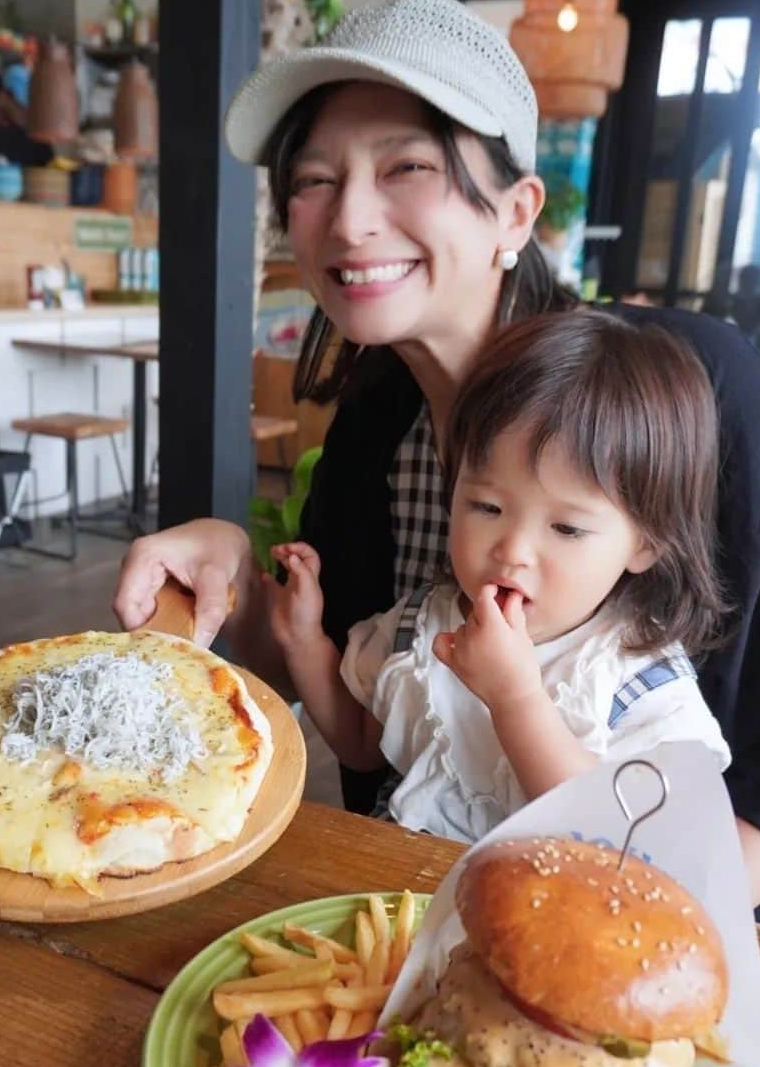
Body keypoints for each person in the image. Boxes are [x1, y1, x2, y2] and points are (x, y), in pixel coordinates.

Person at [113, 0, 760, 942]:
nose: (350, 219)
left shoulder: (687, 397)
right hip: (415, 908)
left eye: (407, 166)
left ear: (515, 211)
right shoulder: (379, 418)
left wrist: (589, 944)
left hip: (704, 941)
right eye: (315, 179)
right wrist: (231, 570)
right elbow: (347, 692)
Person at [268, 308, 731, 839]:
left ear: (645, 543)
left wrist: (516, 698)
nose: (513, 551)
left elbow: (611, 833)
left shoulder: (634, 679)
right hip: (403, 893)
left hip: (545, 909)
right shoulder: (423, 625)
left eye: (566, 528)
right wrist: (303, 639)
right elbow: (360, 747)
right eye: (487, 508)